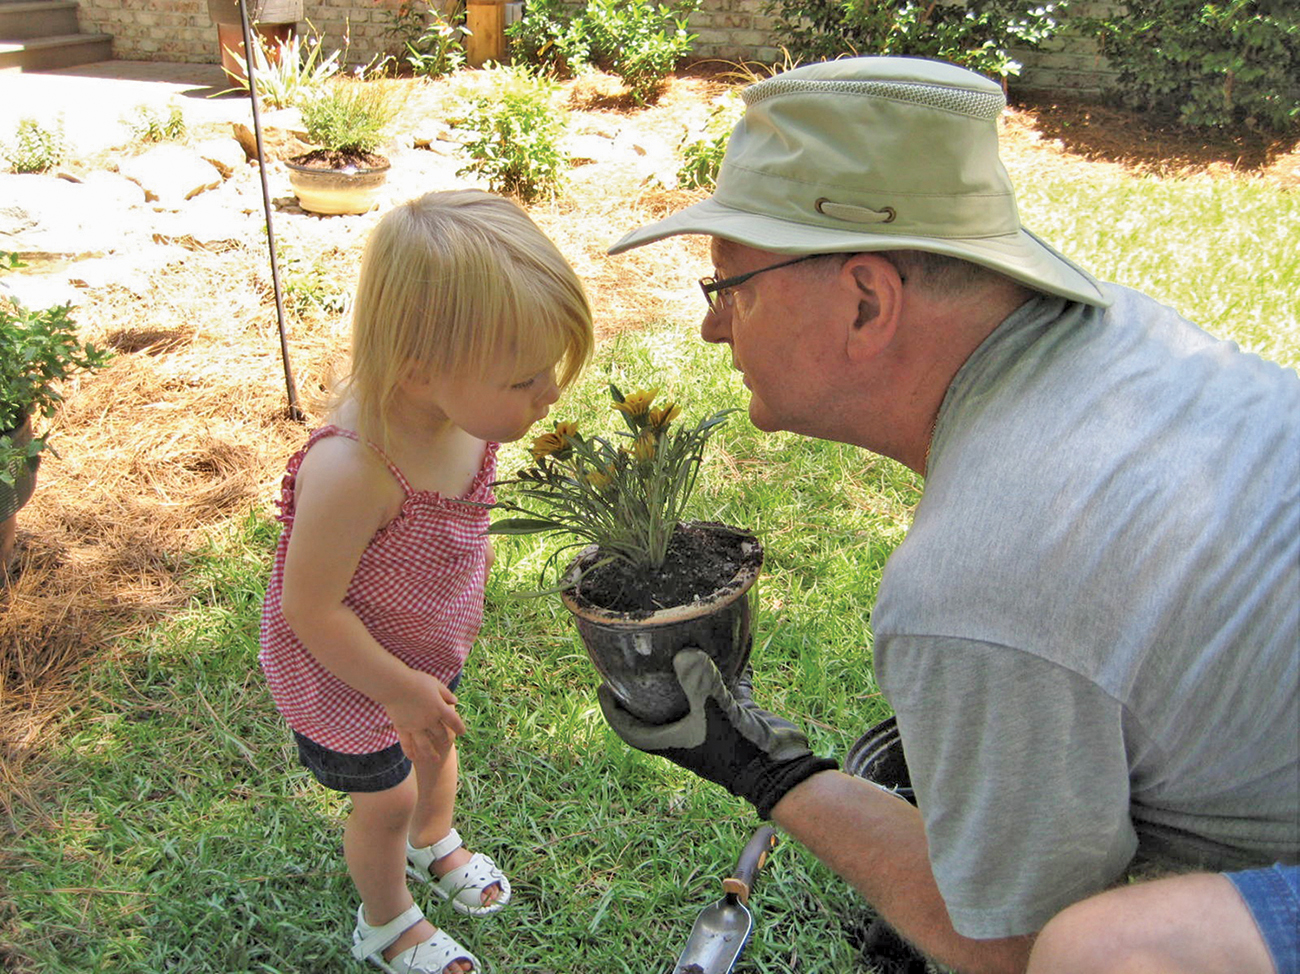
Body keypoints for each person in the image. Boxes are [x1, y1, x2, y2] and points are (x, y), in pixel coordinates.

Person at [597, 56, 1299, 974]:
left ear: (865, 302)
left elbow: (1008, 946)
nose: (713, 328)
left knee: (1095, 956)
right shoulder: (1127, 340)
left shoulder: (981, 582)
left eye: (730, 286)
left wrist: (768, 771)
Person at [259, 189, 594, 974]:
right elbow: (309, 605)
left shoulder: (458, 416)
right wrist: (397, 686)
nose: (549, 392)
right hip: (351, 675)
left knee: (436, 748)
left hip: (422, 654)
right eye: (524, 380)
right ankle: (386, 922)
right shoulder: (354, 468)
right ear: (418, 373)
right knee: (387, 797)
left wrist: (419, 684)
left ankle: (431, 842)